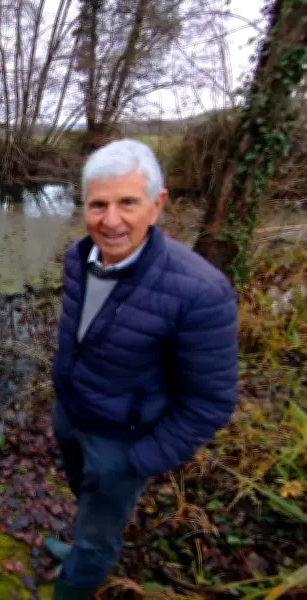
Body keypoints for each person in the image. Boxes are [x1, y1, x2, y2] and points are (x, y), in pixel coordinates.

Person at [46, 139, 239, 599]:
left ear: (157, 205)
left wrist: (139, 462)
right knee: (86, 498)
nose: (110, 220)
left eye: (127, 203)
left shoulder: (201, 291)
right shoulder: (79, 258)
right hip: (72, 415)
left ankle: (77, 581)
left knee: (102, 523)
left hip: (123, 441)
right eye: (98, 204)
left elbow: (210, 401)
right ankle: (81, 548)